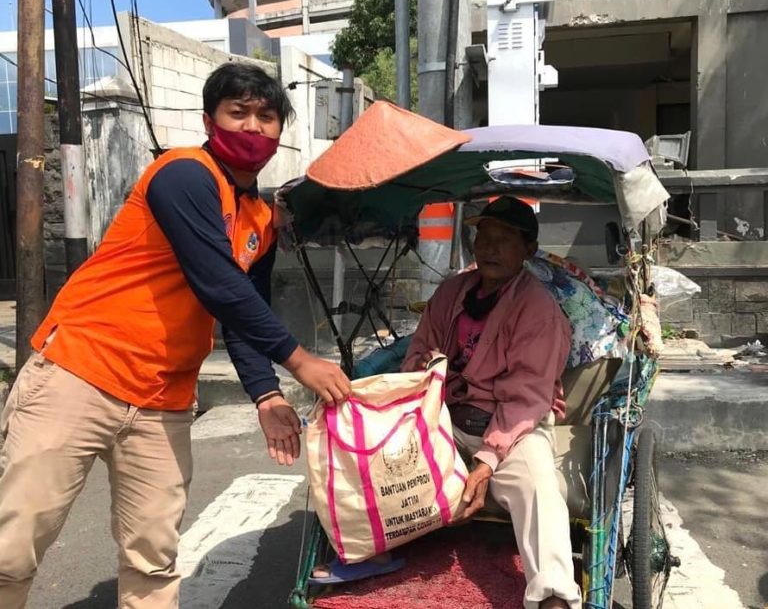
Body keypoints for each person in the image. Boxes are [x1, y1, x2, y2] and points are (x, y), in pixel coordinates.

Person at [0, 62, 351, 609]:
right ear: (209, 119)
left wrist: (266, 393)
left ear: (280, 130)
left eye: (266, 116)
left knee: (154, 555)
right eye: (238, 113)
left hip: (163, 398)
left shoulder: (259, 218)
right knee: (13, 548)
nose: (253, 128)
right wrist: (299, 360)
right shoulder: (182, 174)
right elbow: (216, 282)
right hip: (80, 371)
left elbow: (243, 309)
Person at [401, 197, 581, 609]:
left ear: (528, 251)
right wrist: (425, 370)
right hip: (443, 414)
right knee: (377, 452)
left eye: (504, 240)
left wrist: (486, 462)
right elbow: (417, 352)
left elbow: (526, 397)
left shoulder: (538, 310)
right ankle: (367, 552)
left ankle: (553, 595)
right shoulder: (451, 293)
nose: (490, 248)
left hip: (512, 427)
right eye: (484, 238)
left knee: (538, 486)